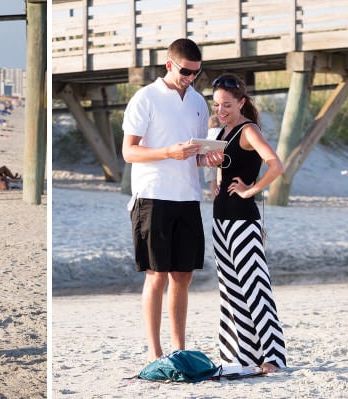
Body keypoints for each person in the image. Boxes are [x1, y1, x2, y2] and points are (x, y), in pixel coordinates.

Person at [121, 38, 218, 361]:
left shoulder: (198, 102)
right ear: (169, 64)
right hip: (152, 196)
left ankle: (179, 348)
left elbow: (197, 155)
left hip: (188, 197)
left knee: (183, 275)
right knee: (157, 273)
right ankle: (155, 351)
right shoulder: (145, 98)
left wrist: (210, 160)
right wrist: (168, 152)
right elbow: (129, 151)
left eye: (196, 73)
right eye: (185, 71)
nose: (190, 78)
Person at [199, 74, 287, 373]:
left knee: (255, 287)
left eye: (227, 104)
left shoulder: (248, 131)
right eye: (217, 105)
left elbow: (276, 164)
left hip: (243, 220)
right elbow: (219, 166)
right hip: (220, 218)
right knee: (230, 289)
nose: (221, 110)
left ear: (241, 102)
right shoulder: (221, 132)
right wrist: (216, 176)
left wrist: (251, 189)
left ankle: (273, 358)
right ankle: (241, 355)